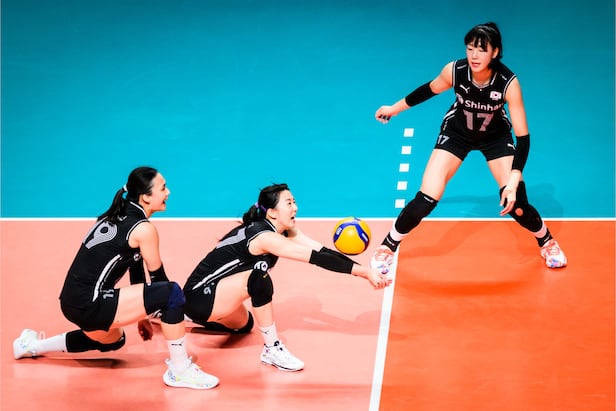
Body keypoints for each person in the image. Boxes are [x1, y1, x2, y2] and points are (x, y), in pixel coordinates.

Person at [370, 22, 567, 272]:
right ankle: (388, 246)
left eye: (482, 50)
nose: (474, 55)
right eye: (470, 48)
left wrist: (513, 180)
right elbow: (429, 90)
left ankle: (546, 241)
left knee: (517, 205)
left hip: (495, 138)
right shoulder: (455, 71)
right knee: (425, 200)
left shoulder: (508, 83)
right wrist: (394, 109)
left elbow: (523, 138)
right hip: (457, 134)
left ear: (495, 52)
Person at [12, 166, 219, 390]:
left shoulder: (116, 214)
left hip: (72, 301)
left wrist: (142, 315)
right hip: (90, 303)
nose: (168, 192)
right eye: (163, 188)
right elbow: (160, 283)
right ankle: (179, 370)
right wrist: (182, 311)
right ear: (146, 197)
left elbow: (136, 267)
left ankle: (31, 346)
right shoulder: (143, 229)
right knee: (172, 293)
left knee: (114, 339)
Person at [181, 183, 391, 372]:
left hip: (218, 297)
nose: (295, 208)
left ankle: (186, 316)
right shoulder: (264, 237)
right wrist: (365, 273)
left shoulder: (284, 231)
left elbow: (323, 252)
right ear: (272, 212)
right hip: (200, 297)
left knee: (244, 326)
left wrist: (365, 269)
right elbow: (316, 259)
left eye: (294, 202)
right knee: (258, 278)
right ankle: (271, 348)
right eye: (288, 203)